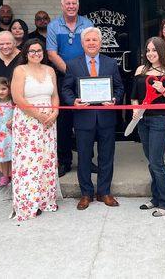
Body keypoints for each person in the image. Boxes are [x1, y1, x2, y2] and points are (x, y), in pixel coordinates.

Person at [62, 27, 125, 210]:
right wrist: (73, 101)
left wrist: (115, 99)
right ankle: (86, 194)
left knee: (107, 156)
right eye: (88, 40)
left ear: (100, 43)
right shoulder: (73, 64)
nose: (91, 43)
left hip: (106, 117)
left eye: (94, 40)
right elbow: (66, 88)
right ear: (82, 43)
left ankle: (104, 192)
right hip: (83, 118)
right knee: (83, 157)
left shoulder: (110, 63)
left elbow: (119, 87)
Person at [131, 37, 165, 217]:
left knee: (156, 162)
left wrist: (163, 90)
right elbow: (134, 95)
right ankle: (156, 198)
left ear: (161, 52)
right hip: (143, 121)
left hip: (162, 120)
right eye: (148, 50)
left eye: (154, 50)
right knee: (153, 162)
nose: (150, 53)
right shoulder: (141, 70)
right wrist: (135, 109)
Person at [10, 39, 60, 221]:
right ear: (26, 53)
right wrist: (38, 115)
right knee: (29, 161)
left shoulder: (50, 70)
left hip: (48, 122)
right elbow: (17, 98)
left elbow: (55, 96)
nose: (36, 54)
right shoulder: (20, 70)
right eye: (32, 51)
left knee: (46, 159)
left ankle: (45, 199)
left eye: (39, 51)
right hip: (27, 121)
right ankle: (28, 202)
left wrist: (54, 114)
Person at [46, 0, 94, 177]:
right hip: (63, 78)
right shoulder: (53, 26)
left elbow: (91, 48)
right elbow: (51, 53)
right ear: (62, 5)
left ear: (78, 5)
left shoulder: (87, 24)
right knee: (64, 123)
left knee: (87, 121)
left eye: (74, 3)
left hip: (86, 79)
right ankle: (64, 161)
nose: (71, 6)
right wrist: (72, 73)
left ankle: (87, 160)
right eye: (68, 3)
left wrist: (79, 74)